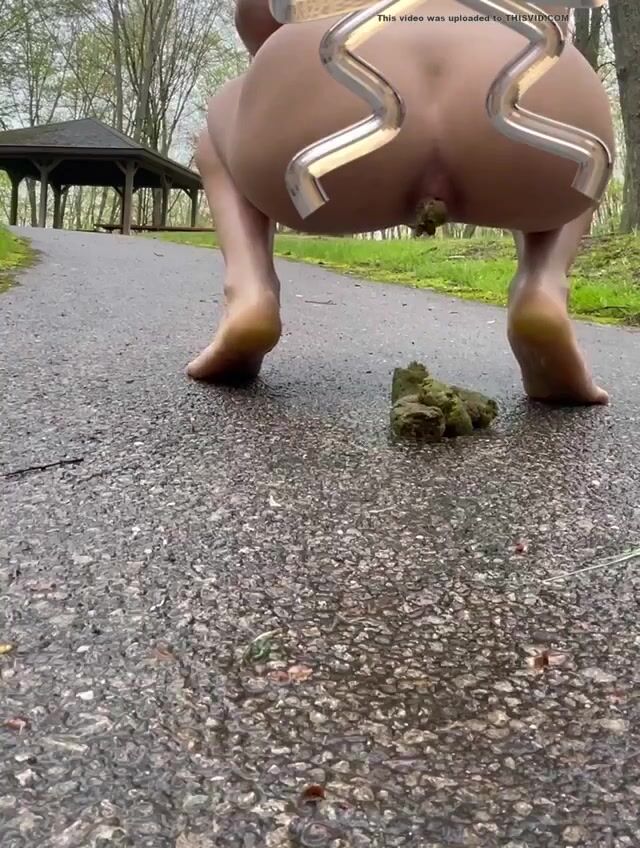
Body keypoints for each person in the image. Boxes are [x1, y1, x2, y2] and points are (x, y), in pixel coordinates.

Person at [188, 0, 614, 405]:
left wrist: (281, 72)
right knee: (576, 134)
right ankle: (542, 288)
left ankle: (250, 294)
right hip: (527, 100)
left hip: (335, 106)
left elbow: (258, 19)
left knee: (222, 119)